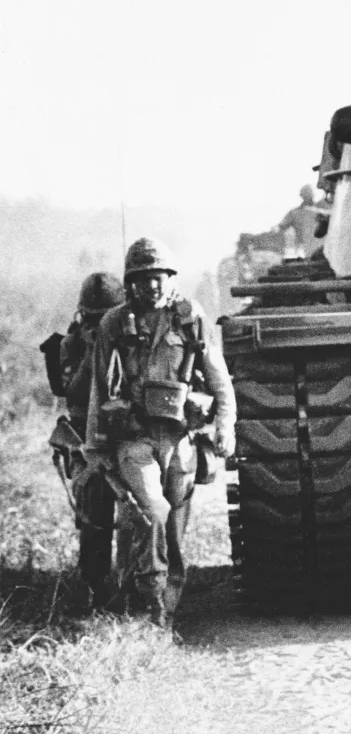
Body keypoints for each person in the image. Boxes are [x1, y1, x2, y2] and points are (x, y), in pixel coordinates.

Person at [85, 238, 237, 627]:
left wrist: (225, 425)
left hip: (179, 442)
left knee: (173, 532)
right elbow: (99, 389)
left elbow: (219, 379)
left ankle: (166, 608)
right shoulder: (113, 324)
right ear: (130, 282)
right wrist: (95, 445)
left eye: (158, 277)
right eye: (142, 279)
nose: (151, 286)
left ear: (170, 279)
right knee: (153, 511)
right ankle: (151, 609)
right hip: (134, 440)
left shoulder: (190, 318)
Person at [45, 272, 125, 608]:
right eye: (92, 318)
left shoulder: (130, 335)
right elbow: (73, 391)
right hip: (84, 436)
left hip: (127, 430)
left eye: (105, 317)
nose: (98, 323)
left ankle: (143, 581)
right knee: (95, 504)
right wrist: (95, 349)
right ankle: (97, 586)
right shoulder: (71, 344)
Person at [277, 184, 328, 258]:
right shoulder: (294, 213)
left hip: (322, 250)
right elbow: (281, 228)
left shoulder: (322, 211)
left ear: (313, 195)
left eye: (309, 193)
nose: (308, 196)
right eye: (305, 194)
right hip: (304, 250)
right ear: (301, 195)